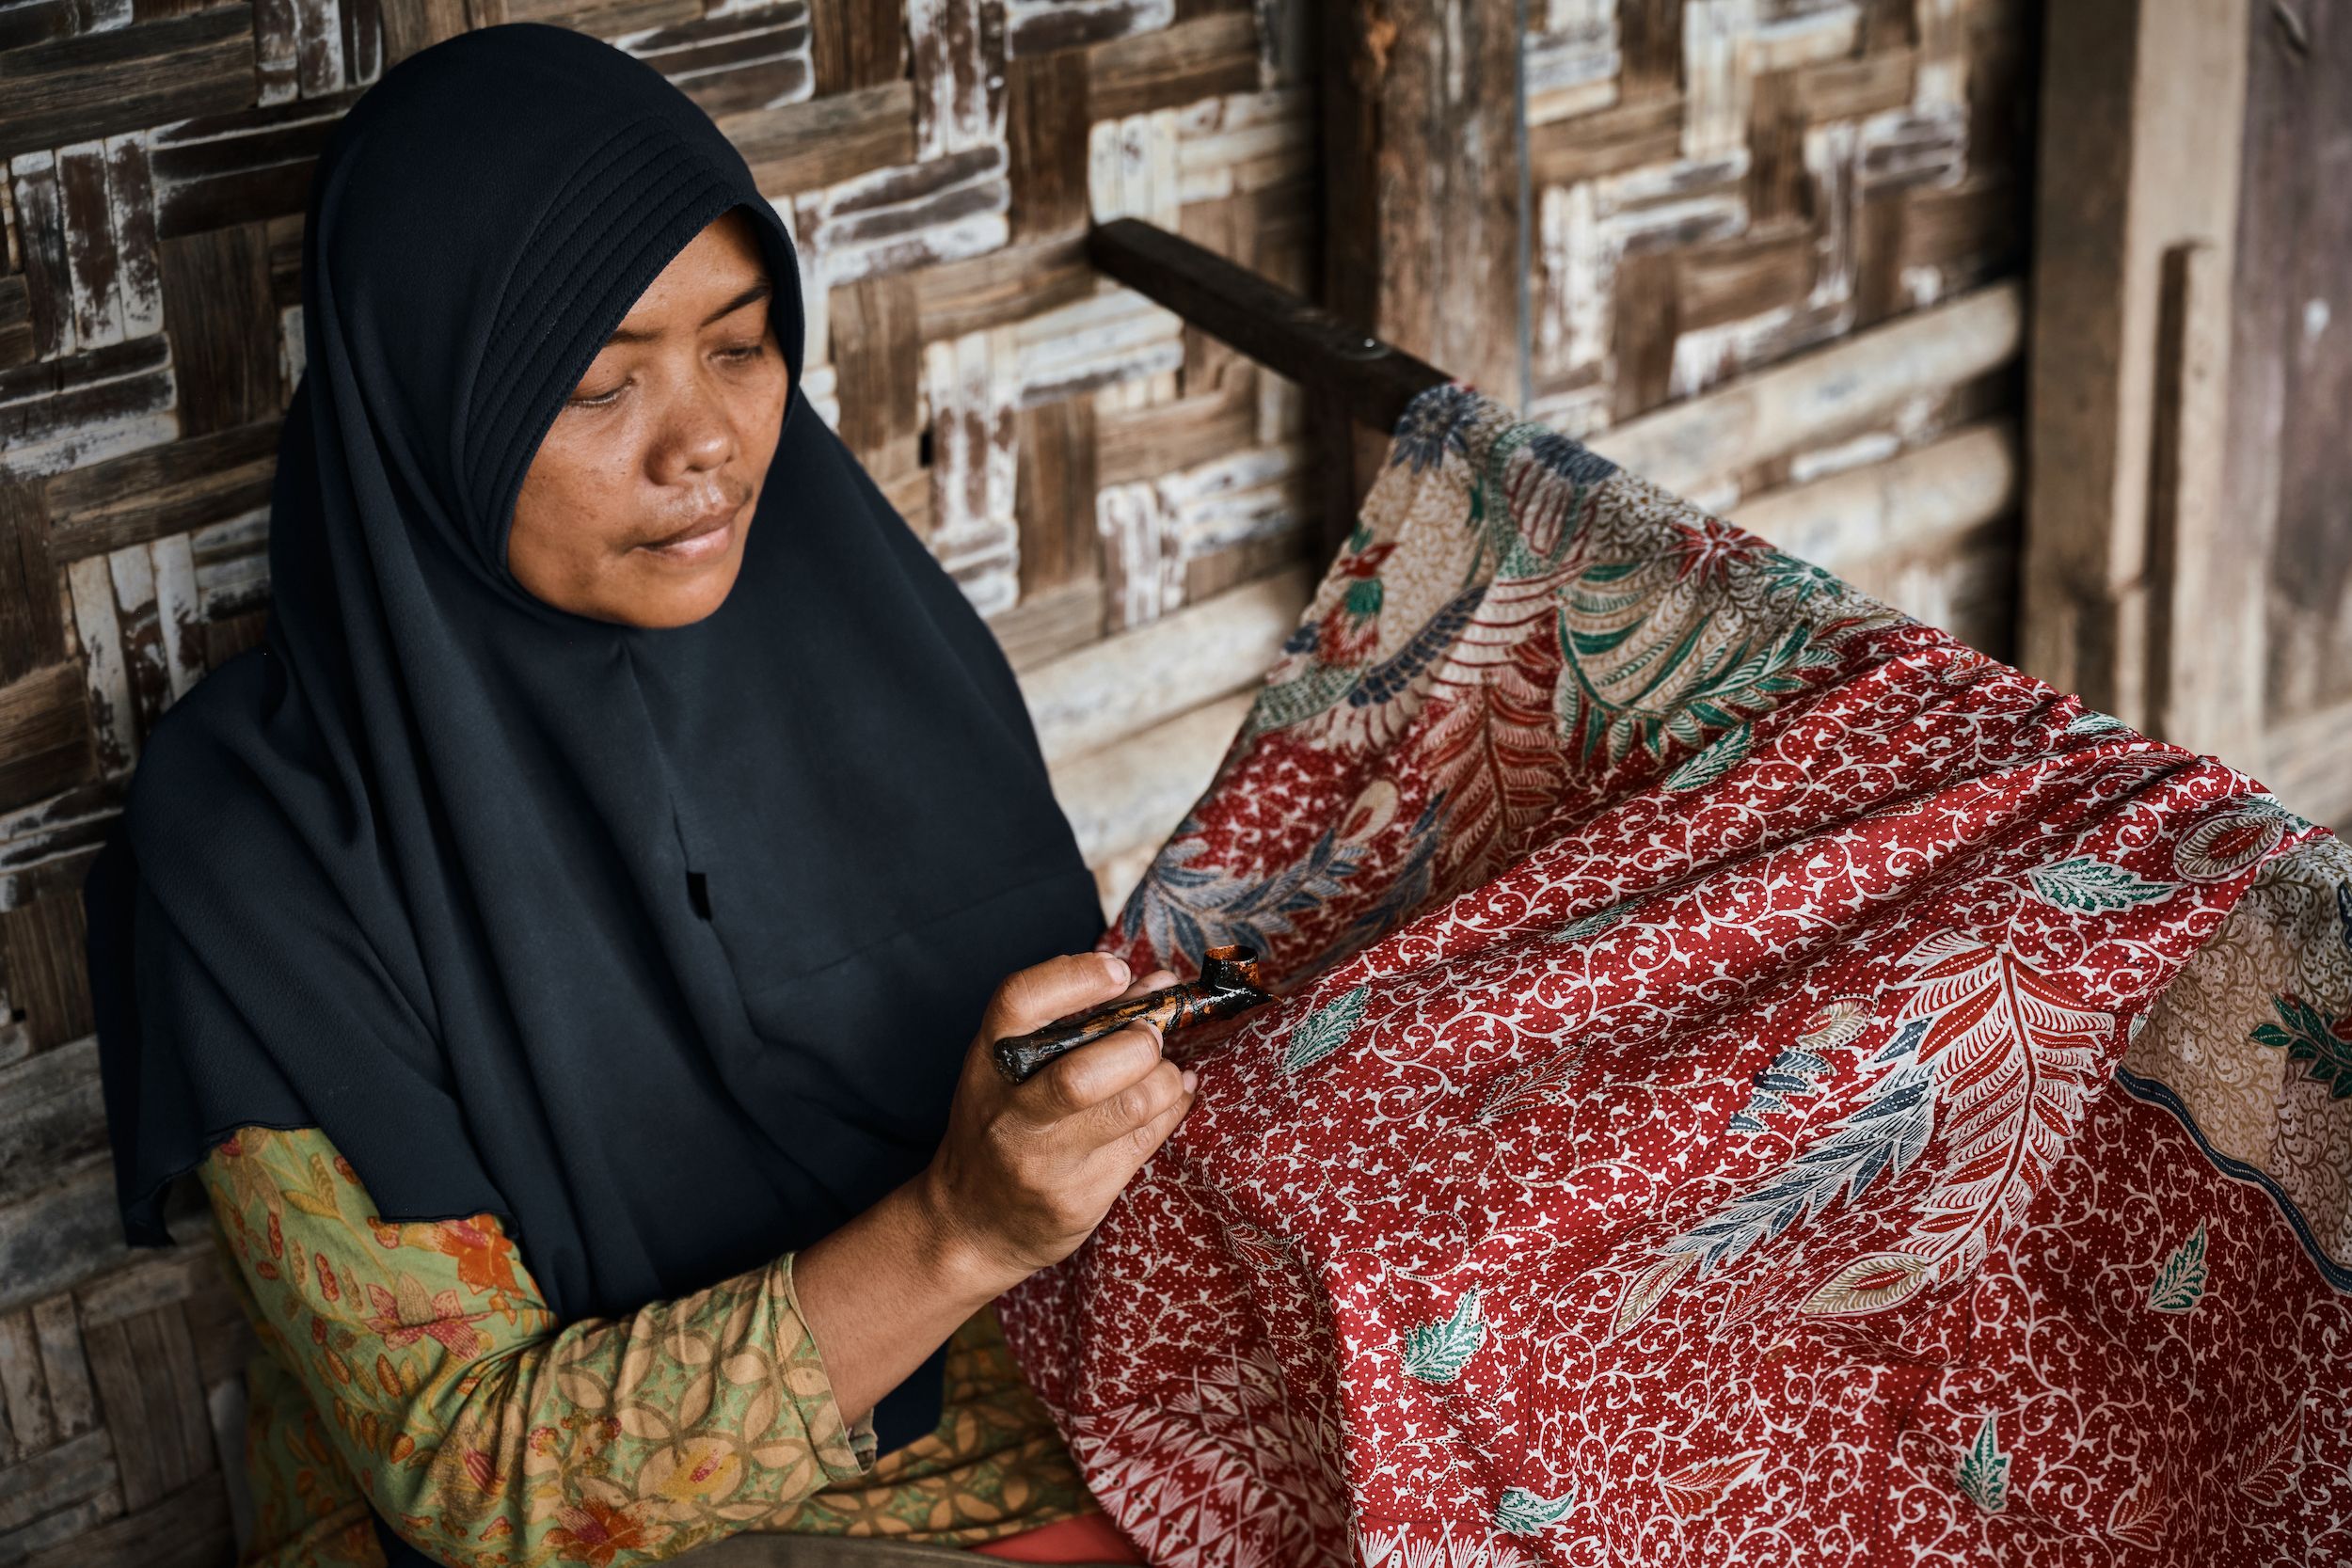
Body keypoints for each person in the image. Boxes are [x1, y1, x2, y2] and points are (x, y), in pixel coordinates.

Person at [79, 23, 1190, 1568]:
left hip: (1053, 1440)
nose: (712, 446)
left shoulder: (865, 647)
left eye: (741, 347)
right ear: (424, 405)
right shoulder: (263, 842)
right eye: (600, 385)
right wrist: (957, 1233)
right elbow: (475, 1475)